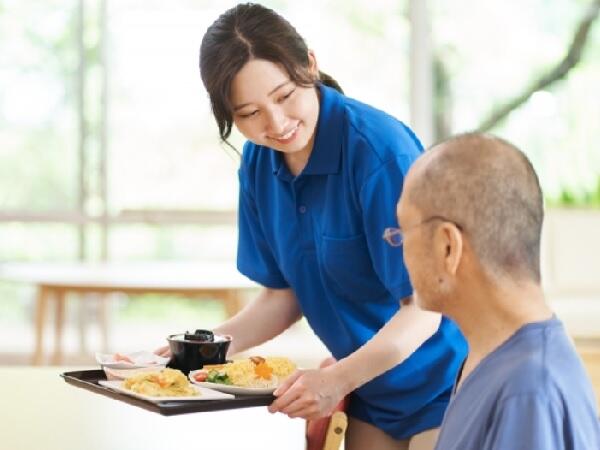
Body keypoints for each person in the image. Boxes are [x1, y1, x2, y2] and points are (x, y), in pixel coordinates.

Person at [159, 3, 467, 448]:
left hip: (448, 384)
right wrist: (187, 356)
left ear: (310, 65)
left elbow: (424, 309)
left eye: (284, 97)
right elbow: (282, 298)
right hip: (370, 392)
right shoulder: (259, 166)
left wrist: (335, 380)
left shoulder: (379, 153)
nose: (276, 124)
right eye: (249, 114)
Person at [394, 132, 600, 450]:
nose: (399, 250)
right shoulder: (489, 356)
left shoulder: (529, 390)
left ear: (448, 246)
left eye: (402, 234)